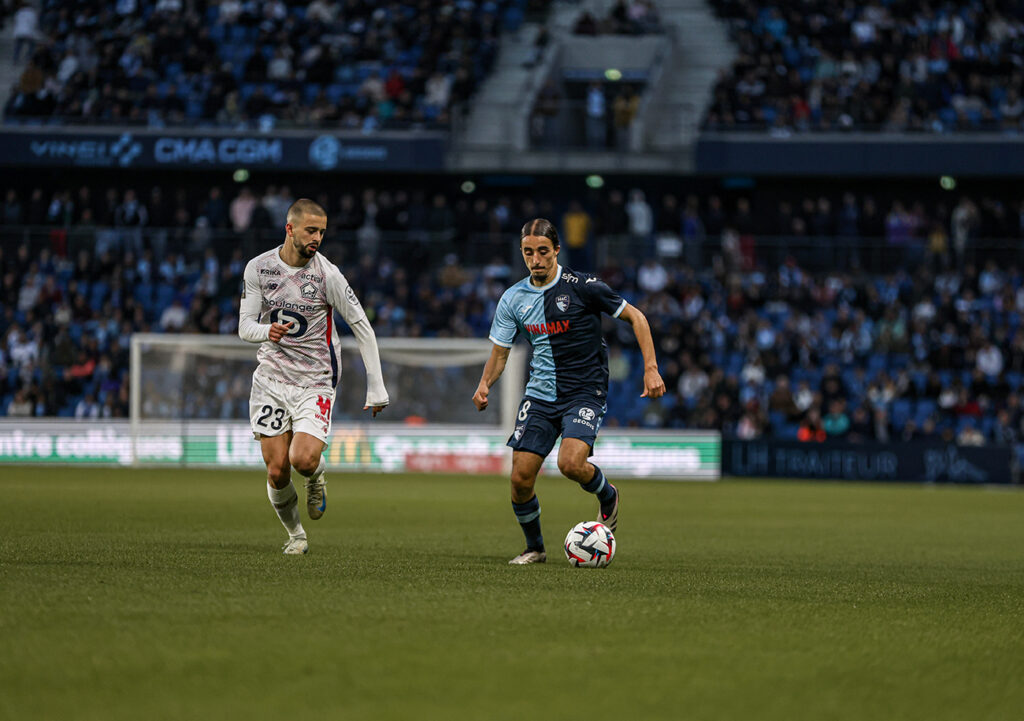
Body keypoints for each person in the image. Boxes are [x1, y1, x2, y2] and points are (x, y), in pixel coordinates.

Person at [472, 218, 666, 565]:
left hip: (583, 391)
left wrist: (651, 369)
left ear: (557, 250)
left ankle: (608, 494)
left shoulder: (584, 286)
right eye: (529, 252)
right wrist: (485, 384)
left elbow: (636, 317)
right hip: (540, 395)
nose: (536, 259)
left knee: (571, 463)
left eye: (543, 252)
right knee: (519, 478)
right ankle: (535, 548)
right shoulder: (513, 299)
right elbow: (500, 353)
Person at [239, 199, 389, 555]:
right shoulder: (258, 268)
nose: (317, 238)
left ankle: (317, 476)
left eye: (322, 231)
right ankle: (296, 536)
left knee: (302, 460)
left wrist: (377, 386)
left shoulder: (327, 275)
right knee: (277, 470)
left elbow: (361, 326)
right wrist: (267, 332)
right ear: (289, 229)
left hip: (315, 379)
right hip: (272, 378)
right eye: (311, 230)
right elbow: (245, 327)